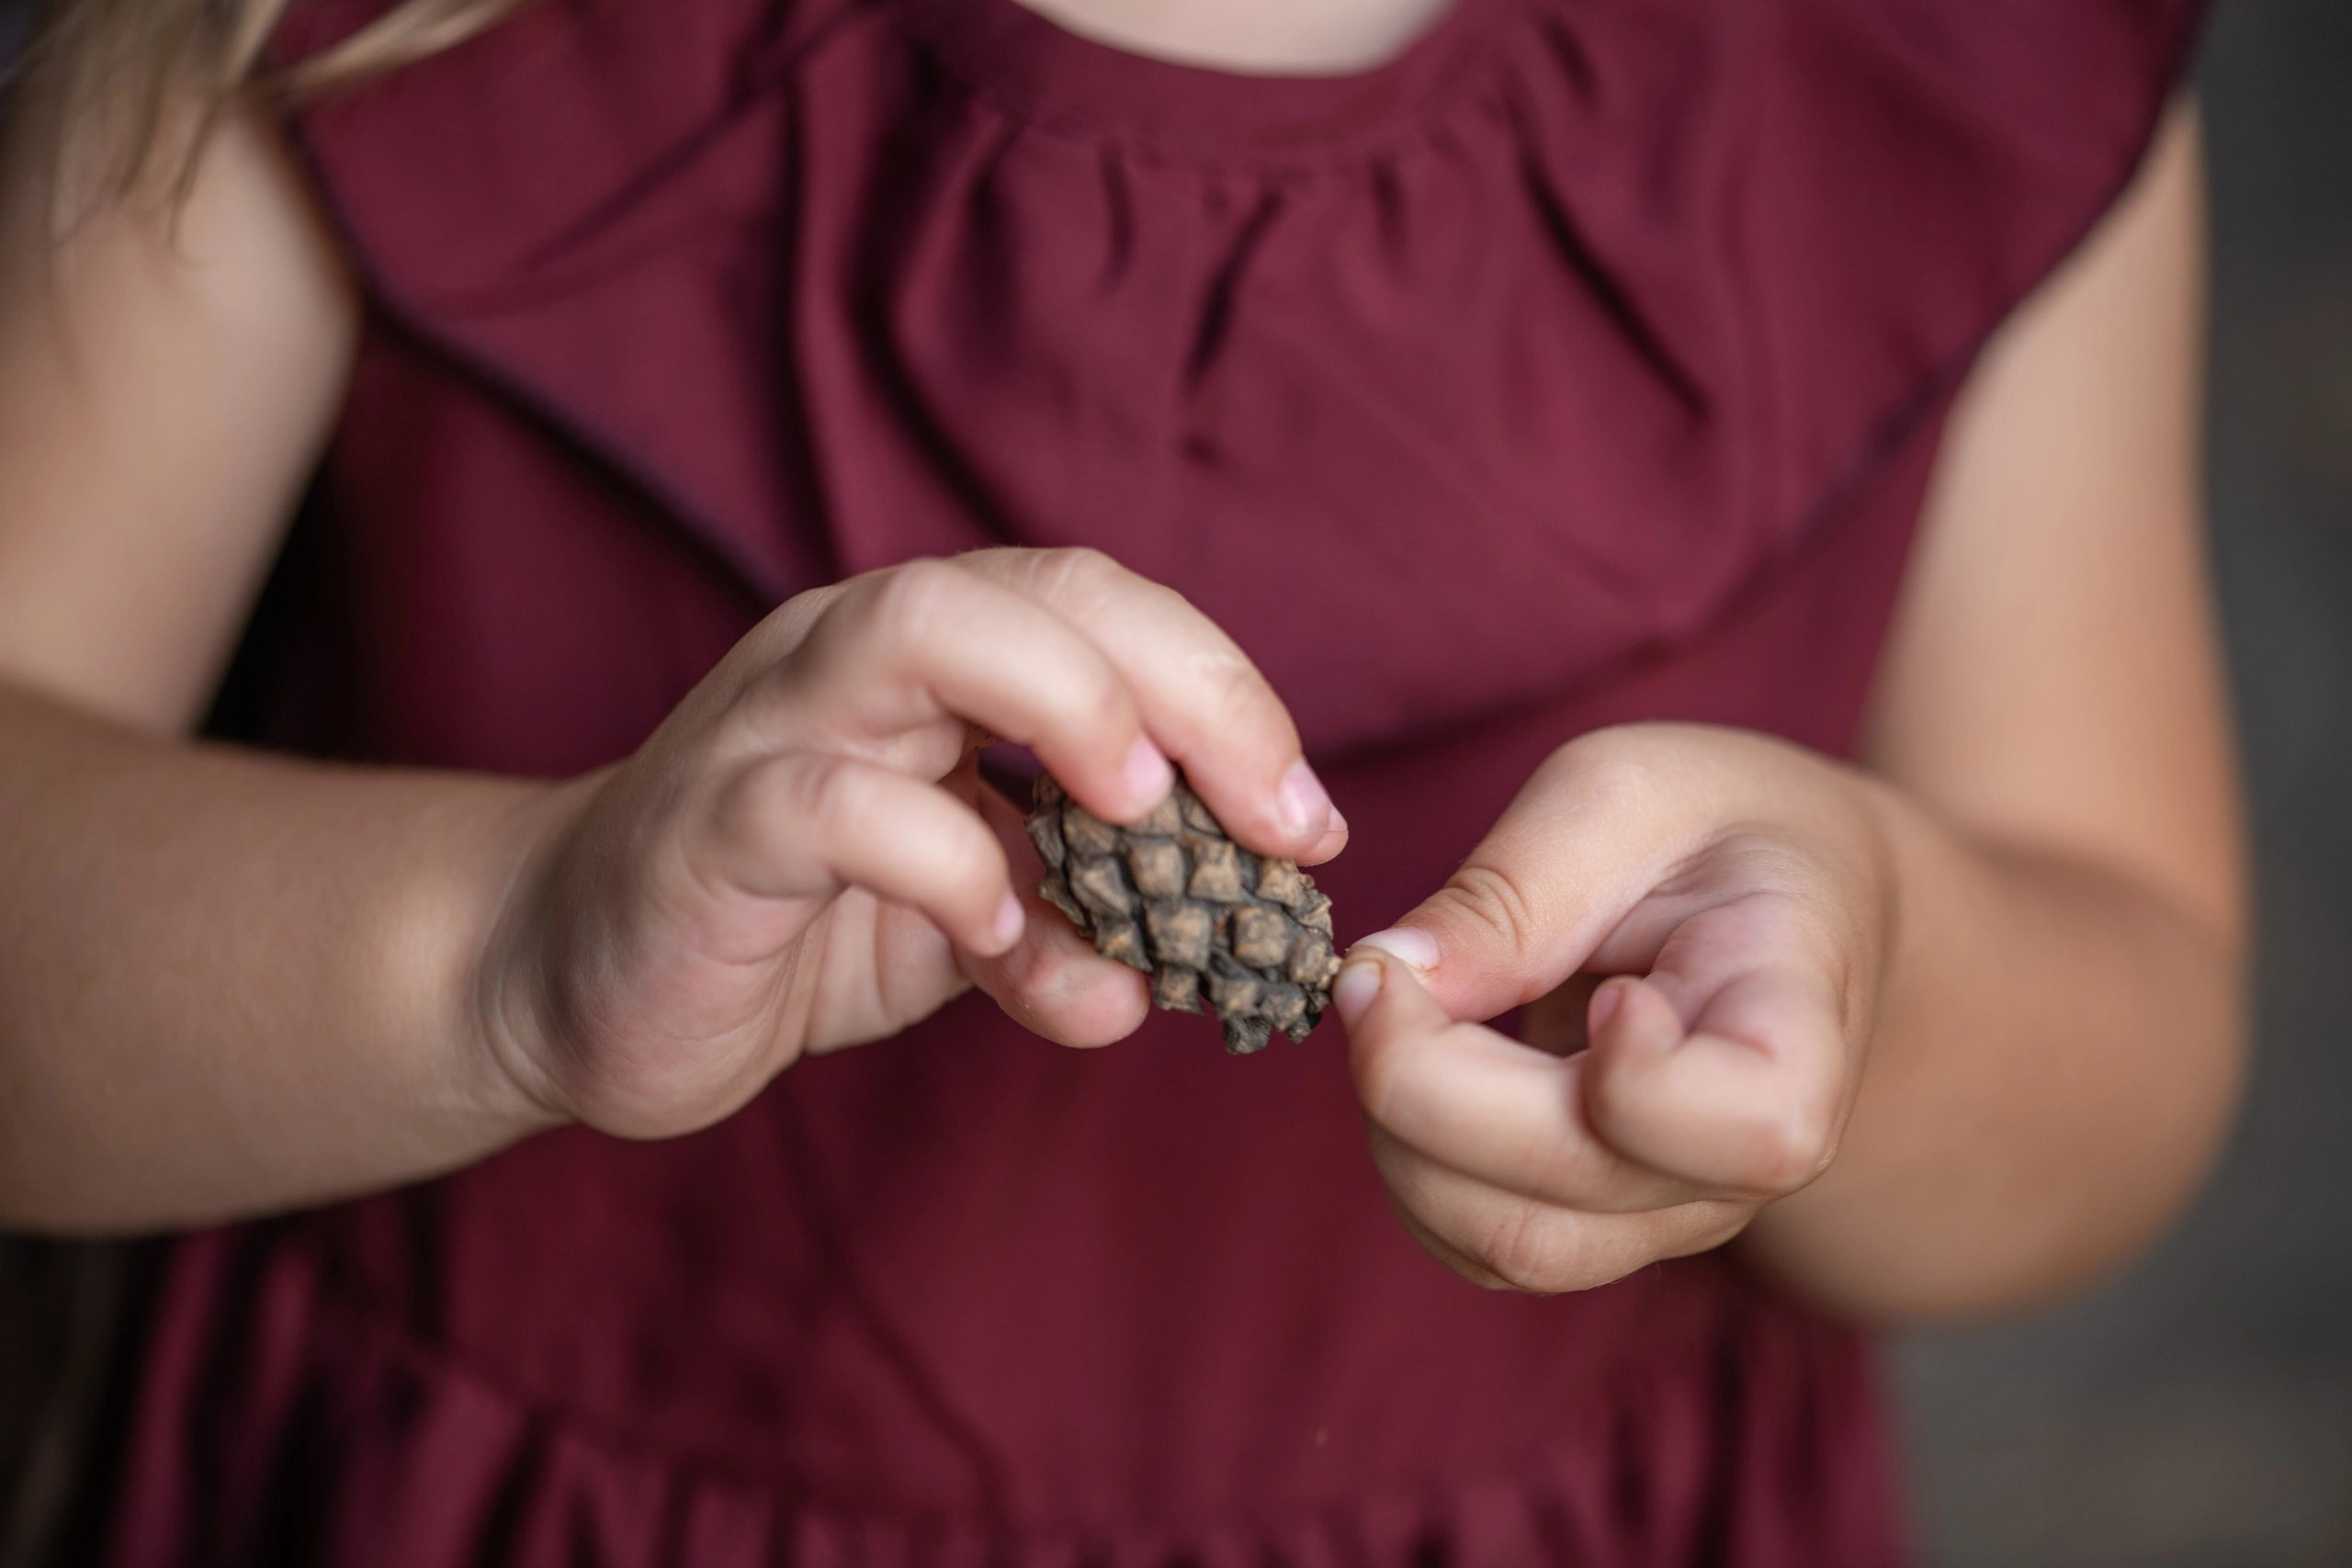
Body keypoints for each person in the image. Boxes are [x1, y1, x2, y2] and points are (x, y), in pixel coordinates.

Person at [0, 0, 2243, 1562]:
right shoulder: (346, 38)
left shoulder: (1952, 70)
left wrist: (1870, 965)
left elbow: (2125, 1046)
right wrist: (503, 944)